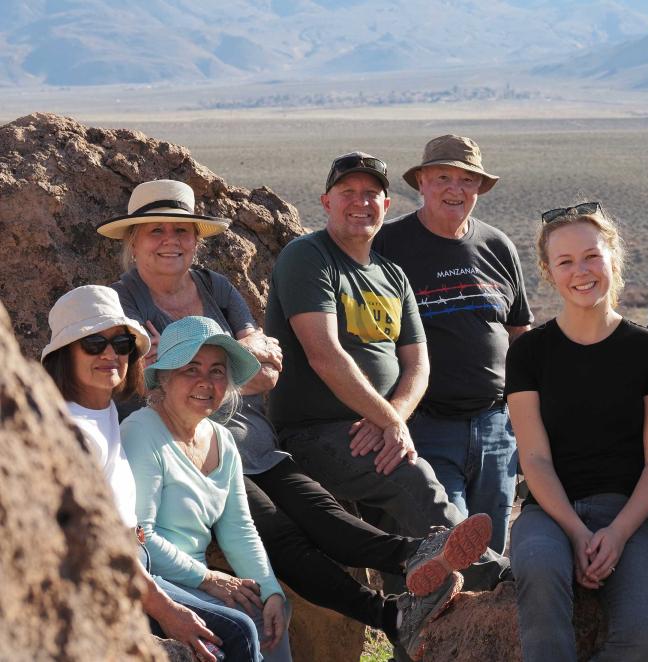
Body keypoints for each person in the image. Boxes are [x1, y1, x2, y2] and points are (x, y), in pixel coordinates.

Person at [99, 179, 493, 659]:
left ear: (196, 240)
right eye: (155, 230)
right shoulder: (121, 304)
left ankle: (416, 555)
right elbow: (131, 381)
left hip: (247, 440)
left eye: (181, 231)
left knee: (317, 507)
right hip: (182, 448)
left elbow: (268, 370)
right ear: (132, 242)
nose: (170, 241)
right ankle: (390, 608)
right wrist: (224, 369)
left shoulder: (215, 287)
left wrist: (194, 381)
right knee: (284, 534)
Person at [265, 153, 508, 590]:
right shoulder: (308, 257)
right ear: (326, 201)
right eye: (348, 193)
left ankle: (412, 630)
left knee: (408, 545)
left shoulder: (392, 275)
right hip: (314, 432)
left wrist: (389, 418)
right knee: (416, 479)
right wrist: (390, 421)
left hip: (376, 427)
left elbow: (419, 363)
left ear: (387, 205)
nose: (361, 202)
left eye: (372, 194)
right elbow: (325, 354)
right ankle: (496, 578)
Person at [41, 285, 259, 661]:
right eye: (93, 343)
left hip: (135, 566)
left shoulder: (103, 410)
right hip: (104, 578)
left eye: (122, 342)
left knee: (244, 620)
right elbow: (93, 545)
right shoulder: (72, 430)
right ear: (65, 354)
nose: (110, 353)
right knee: (236, 634)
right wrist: (166, 610)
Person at [505, 204, 648, 661]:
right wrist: (578, 533)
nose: (580, 272)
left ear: (613, 259)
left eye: (591, 256)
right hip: (550, 511)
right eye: (565, 262)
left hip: (632, 514)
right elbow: (535, 459)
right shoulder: (529, 353)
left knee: (642, 635)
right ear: (548, 272)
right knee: (541, 576)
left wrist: (618, 533)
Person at [374, 134, 532, 553]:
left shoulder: (498, 246)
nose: (455, 189)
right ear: (422, 183)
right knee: (449, 544)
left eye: (466, 180)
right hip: (427, 425)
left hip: (496, 427)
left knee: (493, 549)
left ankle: (487, 621)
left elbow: (519, 334)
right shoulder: (388, 246)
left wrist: (524, 417)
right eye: (443, 177)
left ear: (478, 188)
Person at [122, 316, 291, 660]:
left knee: (271, 613)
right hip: (155, 584)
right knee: (243, 627)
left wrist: (271, 590)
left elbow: (239, 529)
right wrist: (206, 578)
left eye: (216, 371)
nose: (206, 381)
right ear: (164, 378)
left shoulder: (222, 440)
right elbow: (141, 536)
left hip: (199, 582)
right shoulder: (141, 431)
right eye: (191, 369)